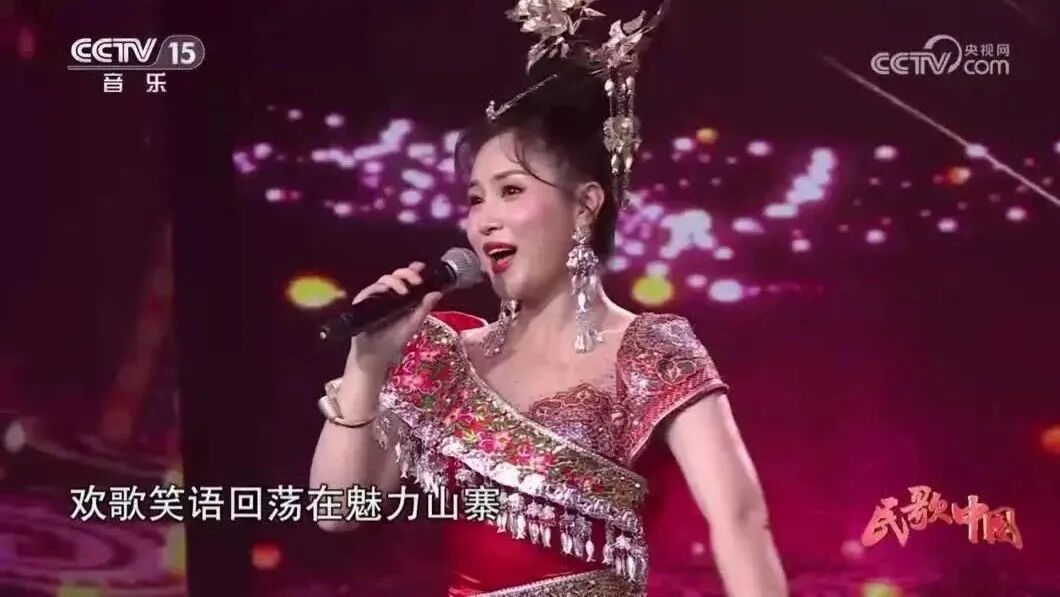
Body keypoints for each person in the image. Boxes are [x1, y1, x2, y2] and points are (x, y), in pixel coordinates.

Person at [310, 4, 786, 595]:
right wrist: (367, 363)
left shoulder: (648, 352)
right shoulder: (444, 353)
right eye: (475, 199)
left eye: (510, 190)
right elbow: (338, 512)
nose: (484, 220)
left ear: (584, 206)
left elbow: (740, 523)